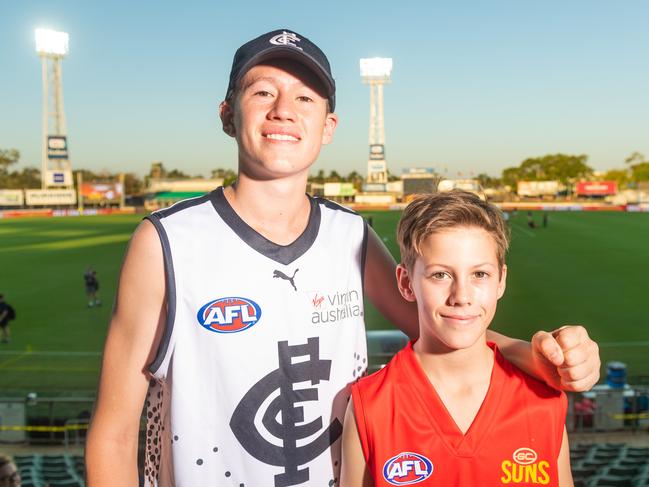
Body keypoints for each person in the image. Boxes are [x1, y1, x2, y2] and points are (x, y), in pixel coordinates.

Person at [86, 29, 599, 486]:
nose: (283, 109)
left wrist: (538, 356)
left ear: (328, 126)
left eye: (304, 97)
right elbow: (112, 437)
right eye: (263, 91)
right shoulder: (166, 242)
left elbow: (449, 325)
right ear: (227, 113)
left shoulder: (349, 234)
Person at [341, 191, 573, 486]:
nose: (461, 296)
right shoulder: (369, 406)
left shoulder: (545, 403)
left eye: (479, 274)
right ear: (405, 283)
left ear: (501, 281)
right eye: (440, 275)